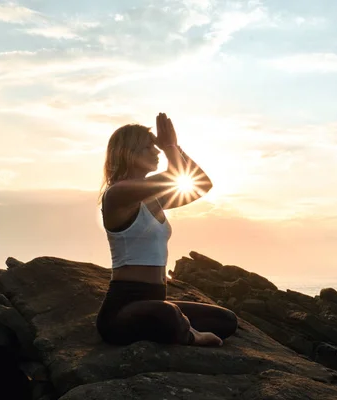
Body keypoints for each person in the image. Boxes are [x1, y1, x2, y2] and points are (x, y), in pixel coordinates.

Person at [96, 112, 238, 346]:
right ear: (128, 153)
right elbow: (174, 176)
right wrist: (170, 144)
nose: (157, 151)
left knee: (225, 320)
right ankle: (190, 335)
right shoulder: (117, 194)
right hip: (123, 310)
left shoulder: (155, 200)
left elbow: (202, 184)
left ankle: (181, 328)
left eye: (158, 147)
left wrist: (176, 147)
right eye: (148, 147)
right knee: (168, 314)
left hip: (155, 301)